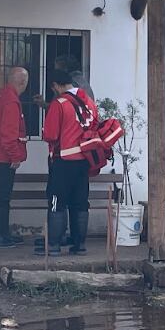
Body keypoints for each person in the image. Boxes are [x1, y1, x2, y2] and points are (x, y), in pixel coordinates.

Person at [37, 69, 98, 256]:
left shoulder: (59, 103)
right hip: (84, 161)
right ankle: (79, 246)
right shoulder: (89, 102)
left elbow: (51, 135)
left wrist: (43, 130)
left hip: (63, 160)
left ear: (56, 85)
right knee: (80, 203)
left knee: (57, 202)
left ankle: (53, 246)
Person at [0, 66, 29, 248]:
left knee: (2, 195)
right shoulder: (11, 101)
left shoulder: (0, 95)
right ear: (22, 82)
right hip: (3, 157)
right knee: (1, 196)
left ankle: (2, 233)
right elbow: (9, 134)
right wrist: (15, 156)